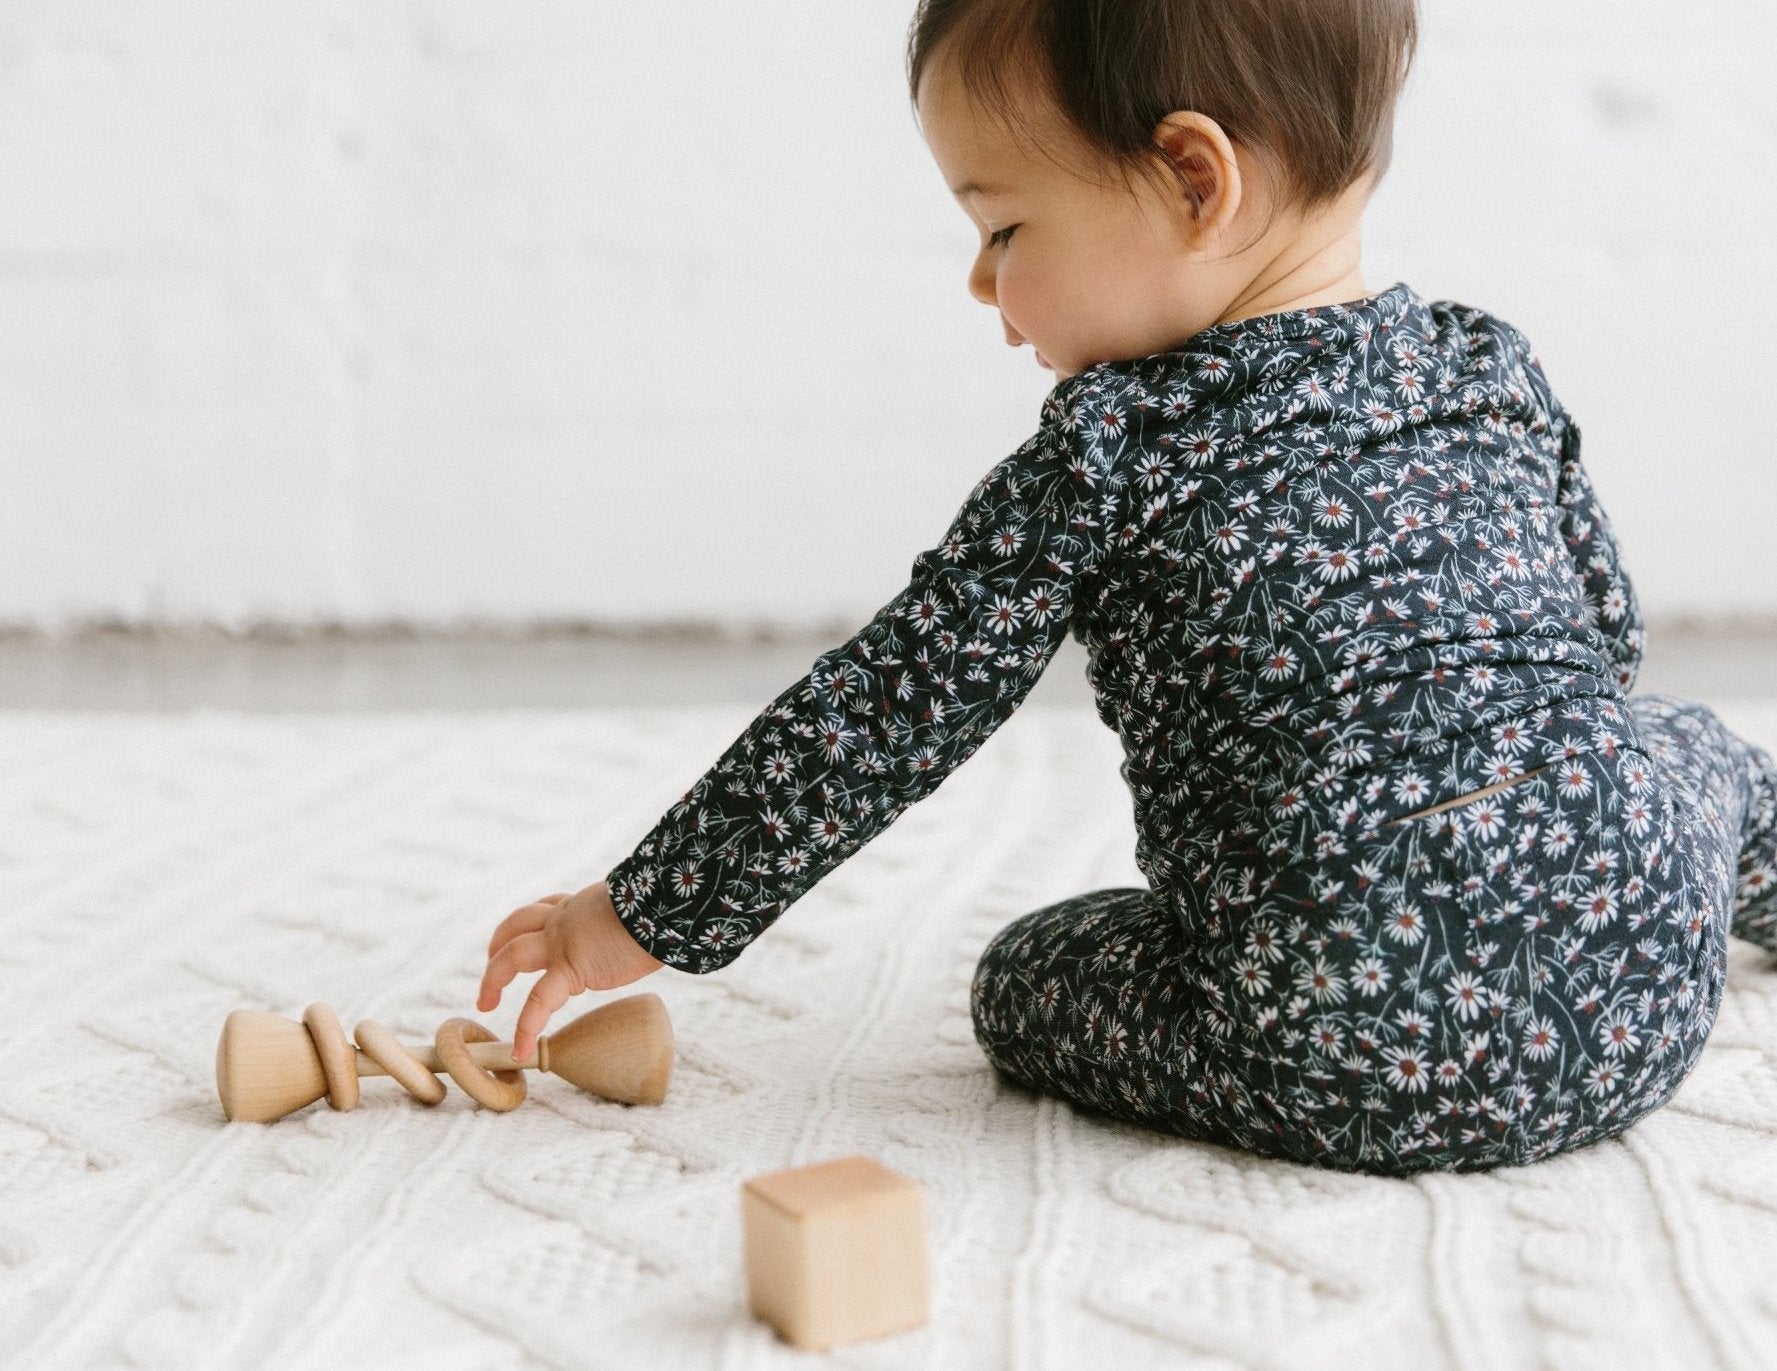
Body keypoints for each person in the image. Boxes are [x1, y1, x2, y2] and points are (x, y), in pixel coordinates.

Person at [476, 0, 1777, 1174]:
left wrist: (639, 912)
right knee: (1683, 749)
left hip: (1327, 1043)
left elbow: (891, 707)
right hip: (1645, 987)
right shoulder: (1485, 366)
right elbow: (1605, 636)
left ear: (1193, 179)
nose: (981, 283)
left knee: (1022, 980)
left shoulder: (1111, 449)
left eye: (1002, 228)